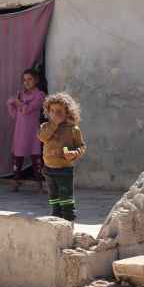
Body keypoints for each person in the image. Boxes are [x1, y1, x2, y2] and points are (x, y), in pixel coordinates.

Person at [38, 92, 86, 221]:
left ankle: (69, 221)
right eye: (52, 111)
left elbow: (81, 146)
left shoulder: (72, 129)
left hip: (64, 170)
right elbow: (42, 137)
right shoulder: (45, 126)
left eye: (59, 111)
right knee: (54, 197)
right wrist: (54, 124)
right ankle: (56, 219)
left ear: (68, 112)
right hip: (48, 169)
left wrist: (74, 153)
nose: (55, 114)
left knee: (66, 199)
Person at [7, 69, 46, 192]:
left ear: (36, 80)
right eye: (24, 80)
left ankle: (39, 184)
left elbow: (26, 110)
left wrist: (17, 102)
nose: (26, 82)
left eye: (29, 79)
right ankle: (15, 181)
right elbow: (14, 113)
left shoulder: (40, 95)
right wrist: (13, 103)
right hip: (20, 130)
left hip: (33, 130)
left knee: (36, 156)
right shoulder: (21, 94)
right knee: (18, 156)